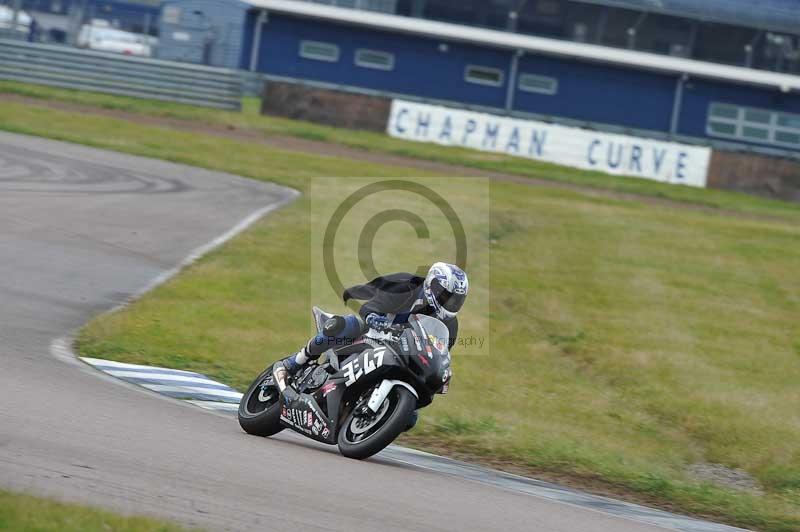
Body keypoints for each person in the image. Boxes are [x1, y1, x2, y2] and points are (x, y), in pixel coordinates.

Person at [273, 262, 469, 381]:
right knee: (347, 325)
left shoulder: (450, 326)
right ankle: (296, 362)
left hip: (401, 356)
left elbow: (439, 355)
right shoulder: (406, 286)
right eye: (445, 295)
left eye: (455, 298)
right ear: (431, 284)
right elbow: (374, 302)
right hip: (372, 334)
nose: (449, 302)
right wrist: (373, 316)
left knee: (410, 418)